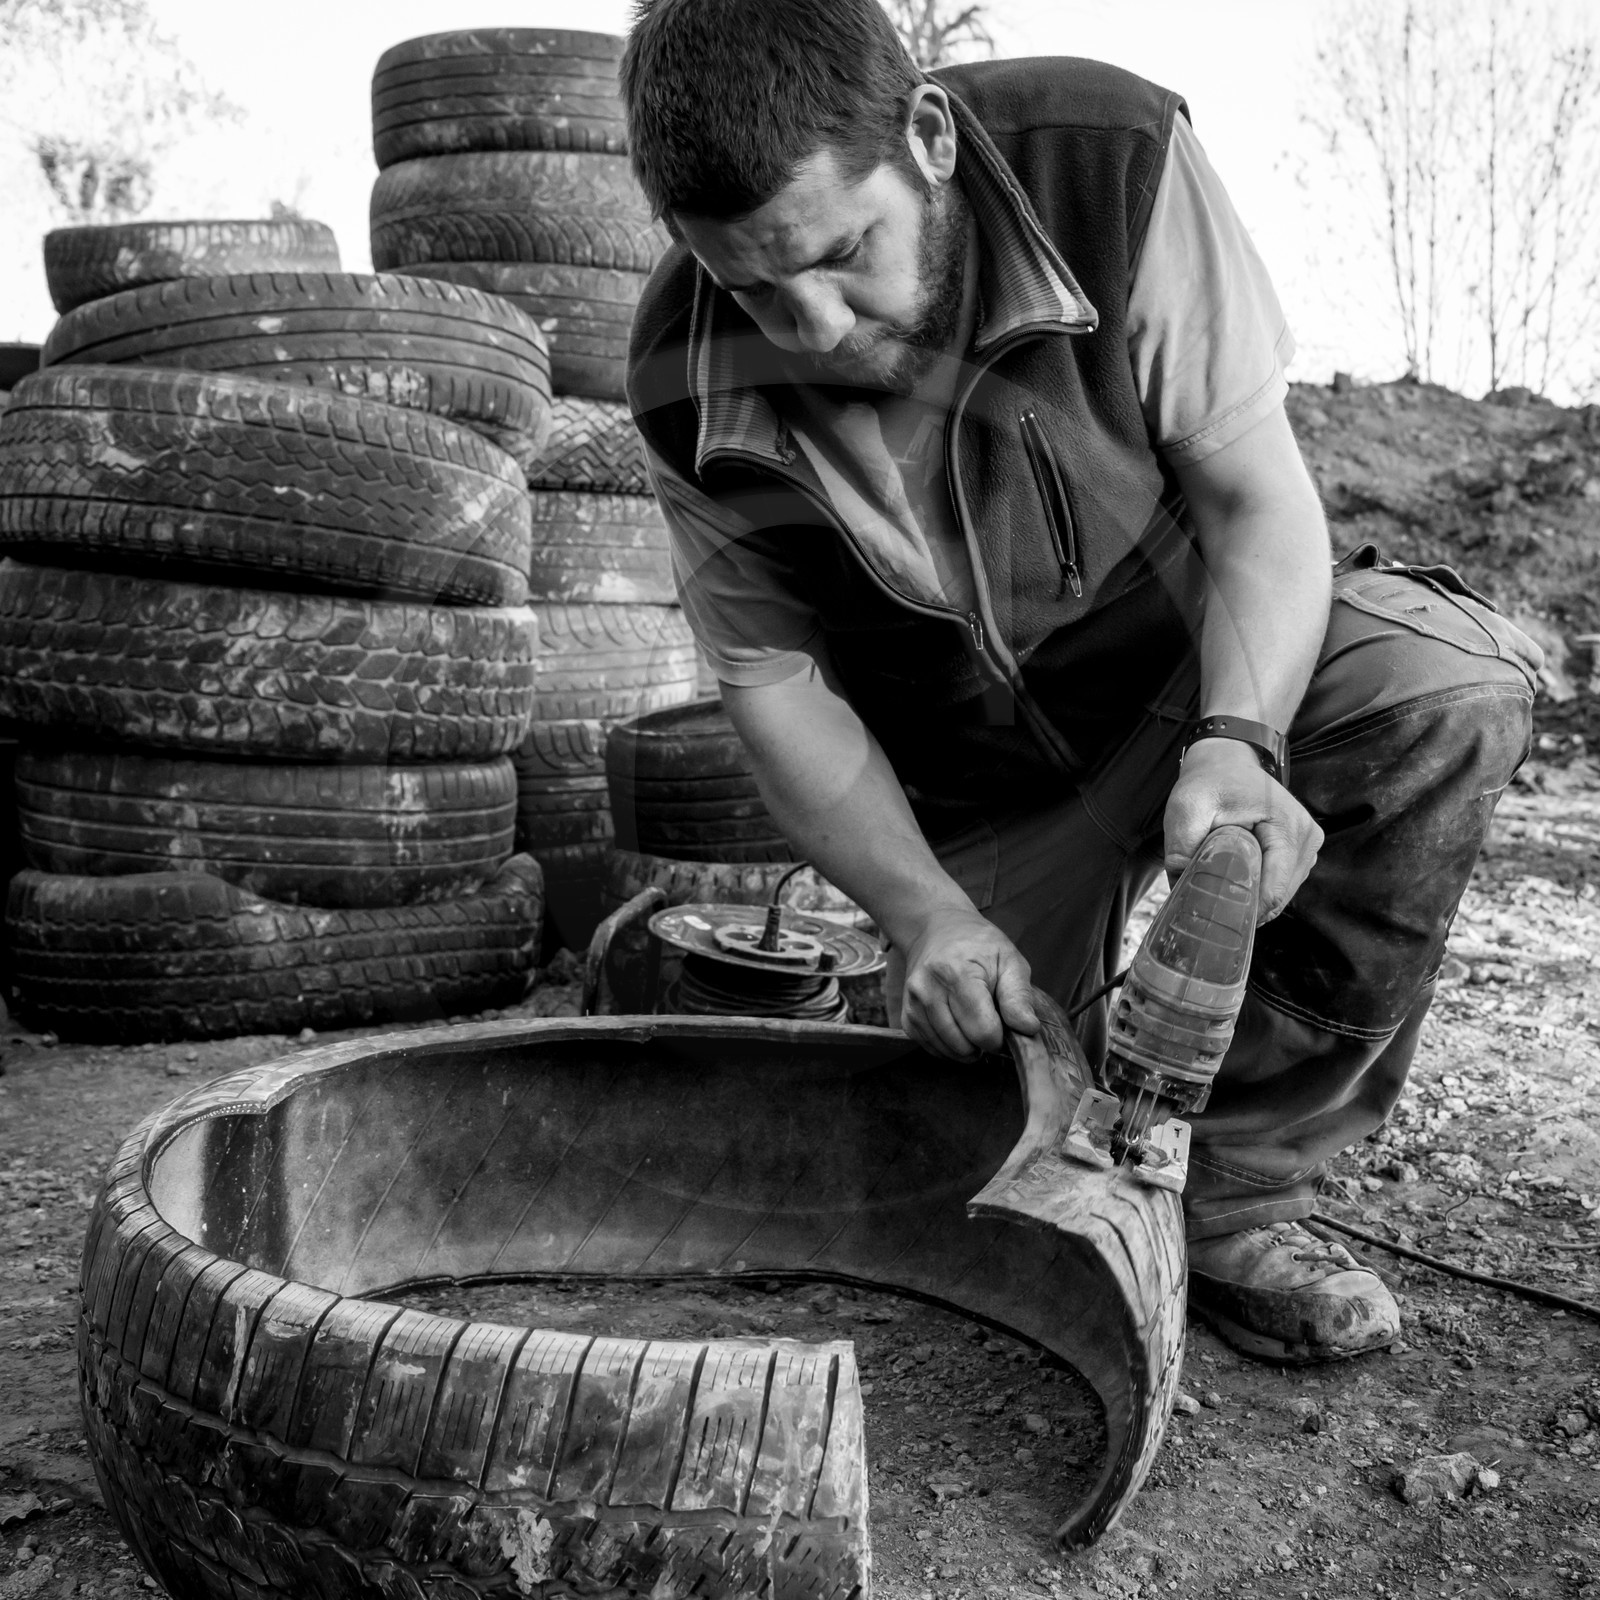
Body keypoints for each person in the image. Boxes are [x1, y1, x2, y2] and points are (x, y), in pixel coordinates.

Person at [621, 0, 1541, 1363]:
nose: (809, 327)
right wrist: (922, 916)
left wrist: (1241, 739)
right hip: (983, 783)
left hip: (1184, 673)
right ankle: (1089, 1080)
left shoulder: (1110, 168)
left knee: (1437, 695)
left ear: (926, 135)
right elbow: (780, 688)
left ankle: (1228, 1203)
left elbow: (1254, 505)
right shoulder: (682, 375)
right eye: (755, 287)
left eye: (840, 254)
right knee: (976, 1131)